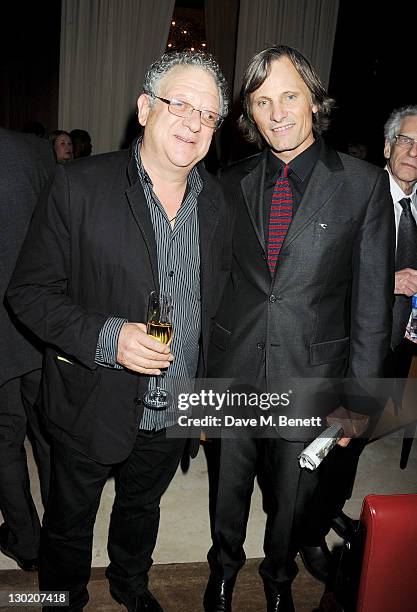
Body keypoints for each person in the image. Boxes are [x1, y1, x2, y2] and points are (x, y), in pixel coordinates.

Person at [7, 51, 231, 612]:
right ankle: (63, 597)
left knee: (142, 507)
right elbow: (27, 294)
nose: (194, 122)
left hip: (176, 403)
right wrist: (111, 338)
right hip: (92, 397)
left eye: (208, 116)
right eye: (181, 104)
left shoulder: (221, 204)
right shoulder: (77, 185)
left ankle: (131, 584)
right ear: (145, 108)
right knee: (69, 518)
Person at [203, 45, 394, 612]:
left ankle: (279, 578)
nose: (278, 112)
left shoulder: (363, 185)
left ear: (314, 101)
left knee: (291, 498)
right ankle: (222, 572)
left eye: (290, 96)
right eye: (262, 102)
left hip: (311, 376)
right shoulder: (227, 180)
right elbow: (217, 284)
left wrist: (358, 402)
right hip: (232, 372)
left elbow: (370, 310)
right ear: (250, 116)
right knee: (225, 492)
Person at [299, 105, 417, 580]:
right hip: (354, 350)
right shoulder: (356, 192)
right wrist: (390, 281)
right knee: (334, 443)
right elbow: (318, 278)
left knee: (359, 443)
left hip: (399, 349)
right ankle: (306, 534)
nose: (414, 151)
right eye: (406, 140)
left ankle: (329, 509)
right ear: (388, 147)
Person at [0, 128, 53, 571]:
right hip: (38, 322)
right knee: (50, 434)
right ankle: (62, 535)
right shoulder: (34, 150)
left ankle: (25, 541)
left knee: (3, 439)